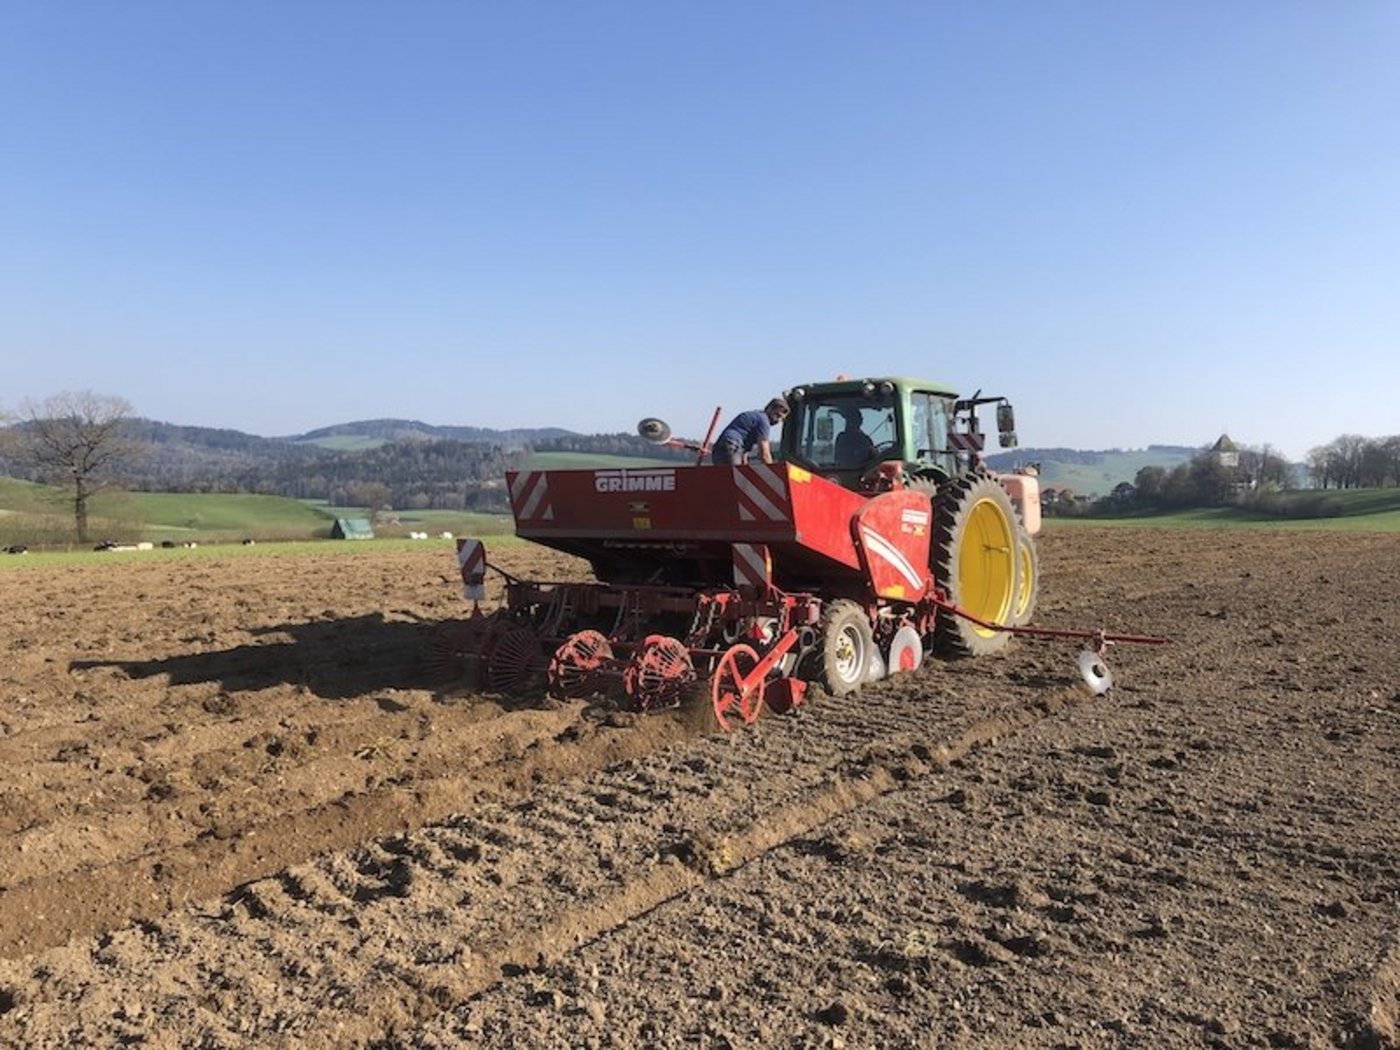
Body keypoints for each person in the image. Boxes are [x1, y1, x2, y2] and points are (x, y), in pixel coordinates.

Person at [710, 397, 789, 465]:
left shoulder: (755, 416)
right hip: (731, 446)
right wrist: (774, 473)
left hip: (720, 449)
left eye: (781, 419)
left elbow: (744, 452)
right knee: (736, 478)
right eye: (777, 415)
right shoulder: (764, 421)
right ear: (769, 409)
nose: (778, 420)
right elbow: (764, 453)